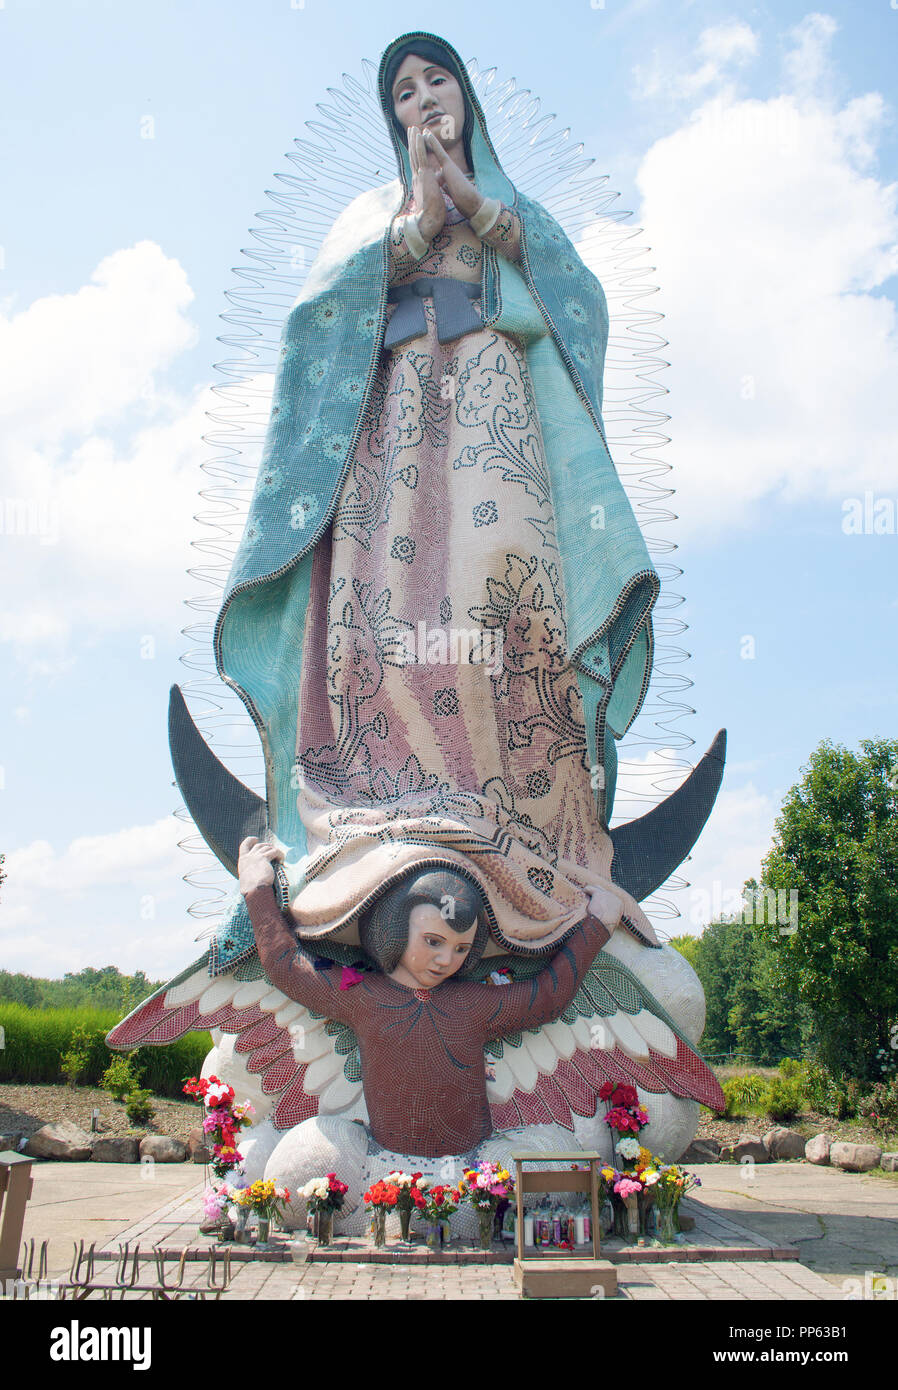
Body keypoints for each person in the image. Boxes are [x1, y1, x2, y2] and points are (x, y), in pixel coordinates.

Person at [211, 30, 661, 979]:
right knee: (391, 608)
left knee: (500, 595)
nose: (422, 99)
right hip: (398, 427)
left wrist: (480, 215)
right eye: (404, 90)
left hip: (495, 414)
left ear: (465, 97)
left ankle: (515, 809)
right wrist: (415, 224)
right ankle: (397, 794)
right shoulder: (372, 214)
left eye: (436, 80)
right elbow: (314, 325)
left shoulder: (515, 213)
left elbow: (581, 305)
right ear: (393, 117)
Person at [238, 834, 619, 1157]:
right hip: (386, 1169)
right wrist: (256, 889)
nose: (445, 960)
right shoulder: (361, 995)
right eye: (433, 941)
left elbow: (546, 997)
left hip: (476, 1172)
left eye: (460, 948)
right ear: (394, 927)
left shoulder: (474, 1005)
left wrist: (596, 927)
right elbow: (287, 966)